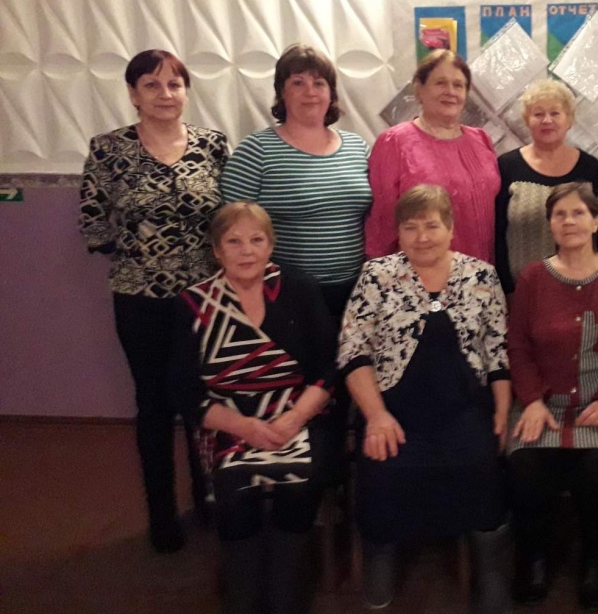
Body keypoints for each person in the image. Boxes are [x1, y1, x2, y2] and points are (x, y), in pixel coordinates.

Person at [78, 49, 228, 552]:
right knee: (154, 403)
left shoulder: (212, 145)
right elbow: (93, 221)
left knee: (203, 399)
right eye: (152, 84)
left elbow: (228, 219)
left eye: (174, 84)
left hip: (204, 297)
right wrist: (142, 255)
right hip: (138, 297)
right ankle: (162, 515)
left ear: (186, 91)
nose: (165, 94)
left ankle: (208, 499)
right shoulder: (109, 149)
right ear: (133, 93)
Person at [338, 185, 511, 613]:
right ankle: (381, 552)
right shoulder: (377, 275)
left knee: (481, 465)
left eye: (431, 226)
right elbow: (352, 350)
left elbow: (498, 352)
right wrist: (376, 416)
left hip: (463, 408)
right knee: (381, 468)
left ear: (450, 229)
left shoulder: (481, 276)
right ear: (398, 233)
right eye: (410, 228)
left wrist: (503, 412)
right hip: (394, 411)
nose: (422, 237)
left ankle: (489, 567)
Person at [172, 203, 336, 614]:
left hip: (296, 412)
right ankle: (243, 588)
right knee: (234, 489)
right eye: (234, 241)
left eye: (256, 240)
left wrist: (294, 418)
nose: (247, 251)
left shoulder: (299, 289)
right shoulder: (194, 303)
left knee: (301, 484)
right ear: (216, 250)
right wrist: (243, 426)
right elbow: (184, 392)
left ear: (271, 244)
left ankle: (286, 589)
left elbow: (328, 368)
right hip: (228, 419)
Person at [507, 182, 598, 611]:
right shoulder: (532, 278)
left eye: (578, 213)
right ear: (550, 225)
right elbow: (518, 348)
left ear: (595, 221)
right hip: (544, 405)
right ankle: (535, 554)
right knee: (525, 469)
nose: (569, 221)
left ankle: (596, 558)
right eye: (559, 215)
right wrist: (532, 400)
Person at [220, 43, 372, 325]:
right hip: (286, 294)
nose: (310, 92)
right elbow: (230, 229)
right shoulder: (255, 151)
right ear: (282, 92)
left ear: (331, 93)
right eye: (298, 83)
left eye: (319, 83)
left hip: (356, 289)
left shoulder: (357, 147)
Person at [364, 50, 500, 263]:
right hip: (419, 273)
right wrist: (382, 274)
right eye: (440, 83)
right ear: (419, 90)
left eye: (458, 85)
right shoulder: (395, 142)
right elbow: (382, 222)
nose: (450, 91)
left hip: (481, 273)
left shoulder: (481, 139)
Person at [495, 79, 598, 293]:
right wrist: (507, 289)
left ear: (569, 119)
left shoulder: (592, 169)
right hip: (522, 291)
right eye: (538, 114)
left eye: (555, 113)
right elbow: (497, 233)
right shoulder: (506, 167)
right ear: (527, 119)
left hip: (582, 288)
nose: (547, 120)